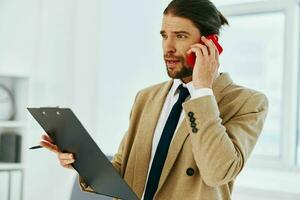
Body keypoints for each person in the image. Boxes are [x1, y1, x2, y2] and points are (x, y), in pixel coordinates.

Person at [40, 0, 268, 199]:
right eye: (164, 36)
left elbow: (217, 172)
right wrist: (80, 160)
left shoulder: (247, 102)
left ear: (211, 43)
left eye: (180, 36)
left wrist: (202, 91)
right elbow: (123, 169)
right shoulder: (147, 97)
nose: (167, 47)